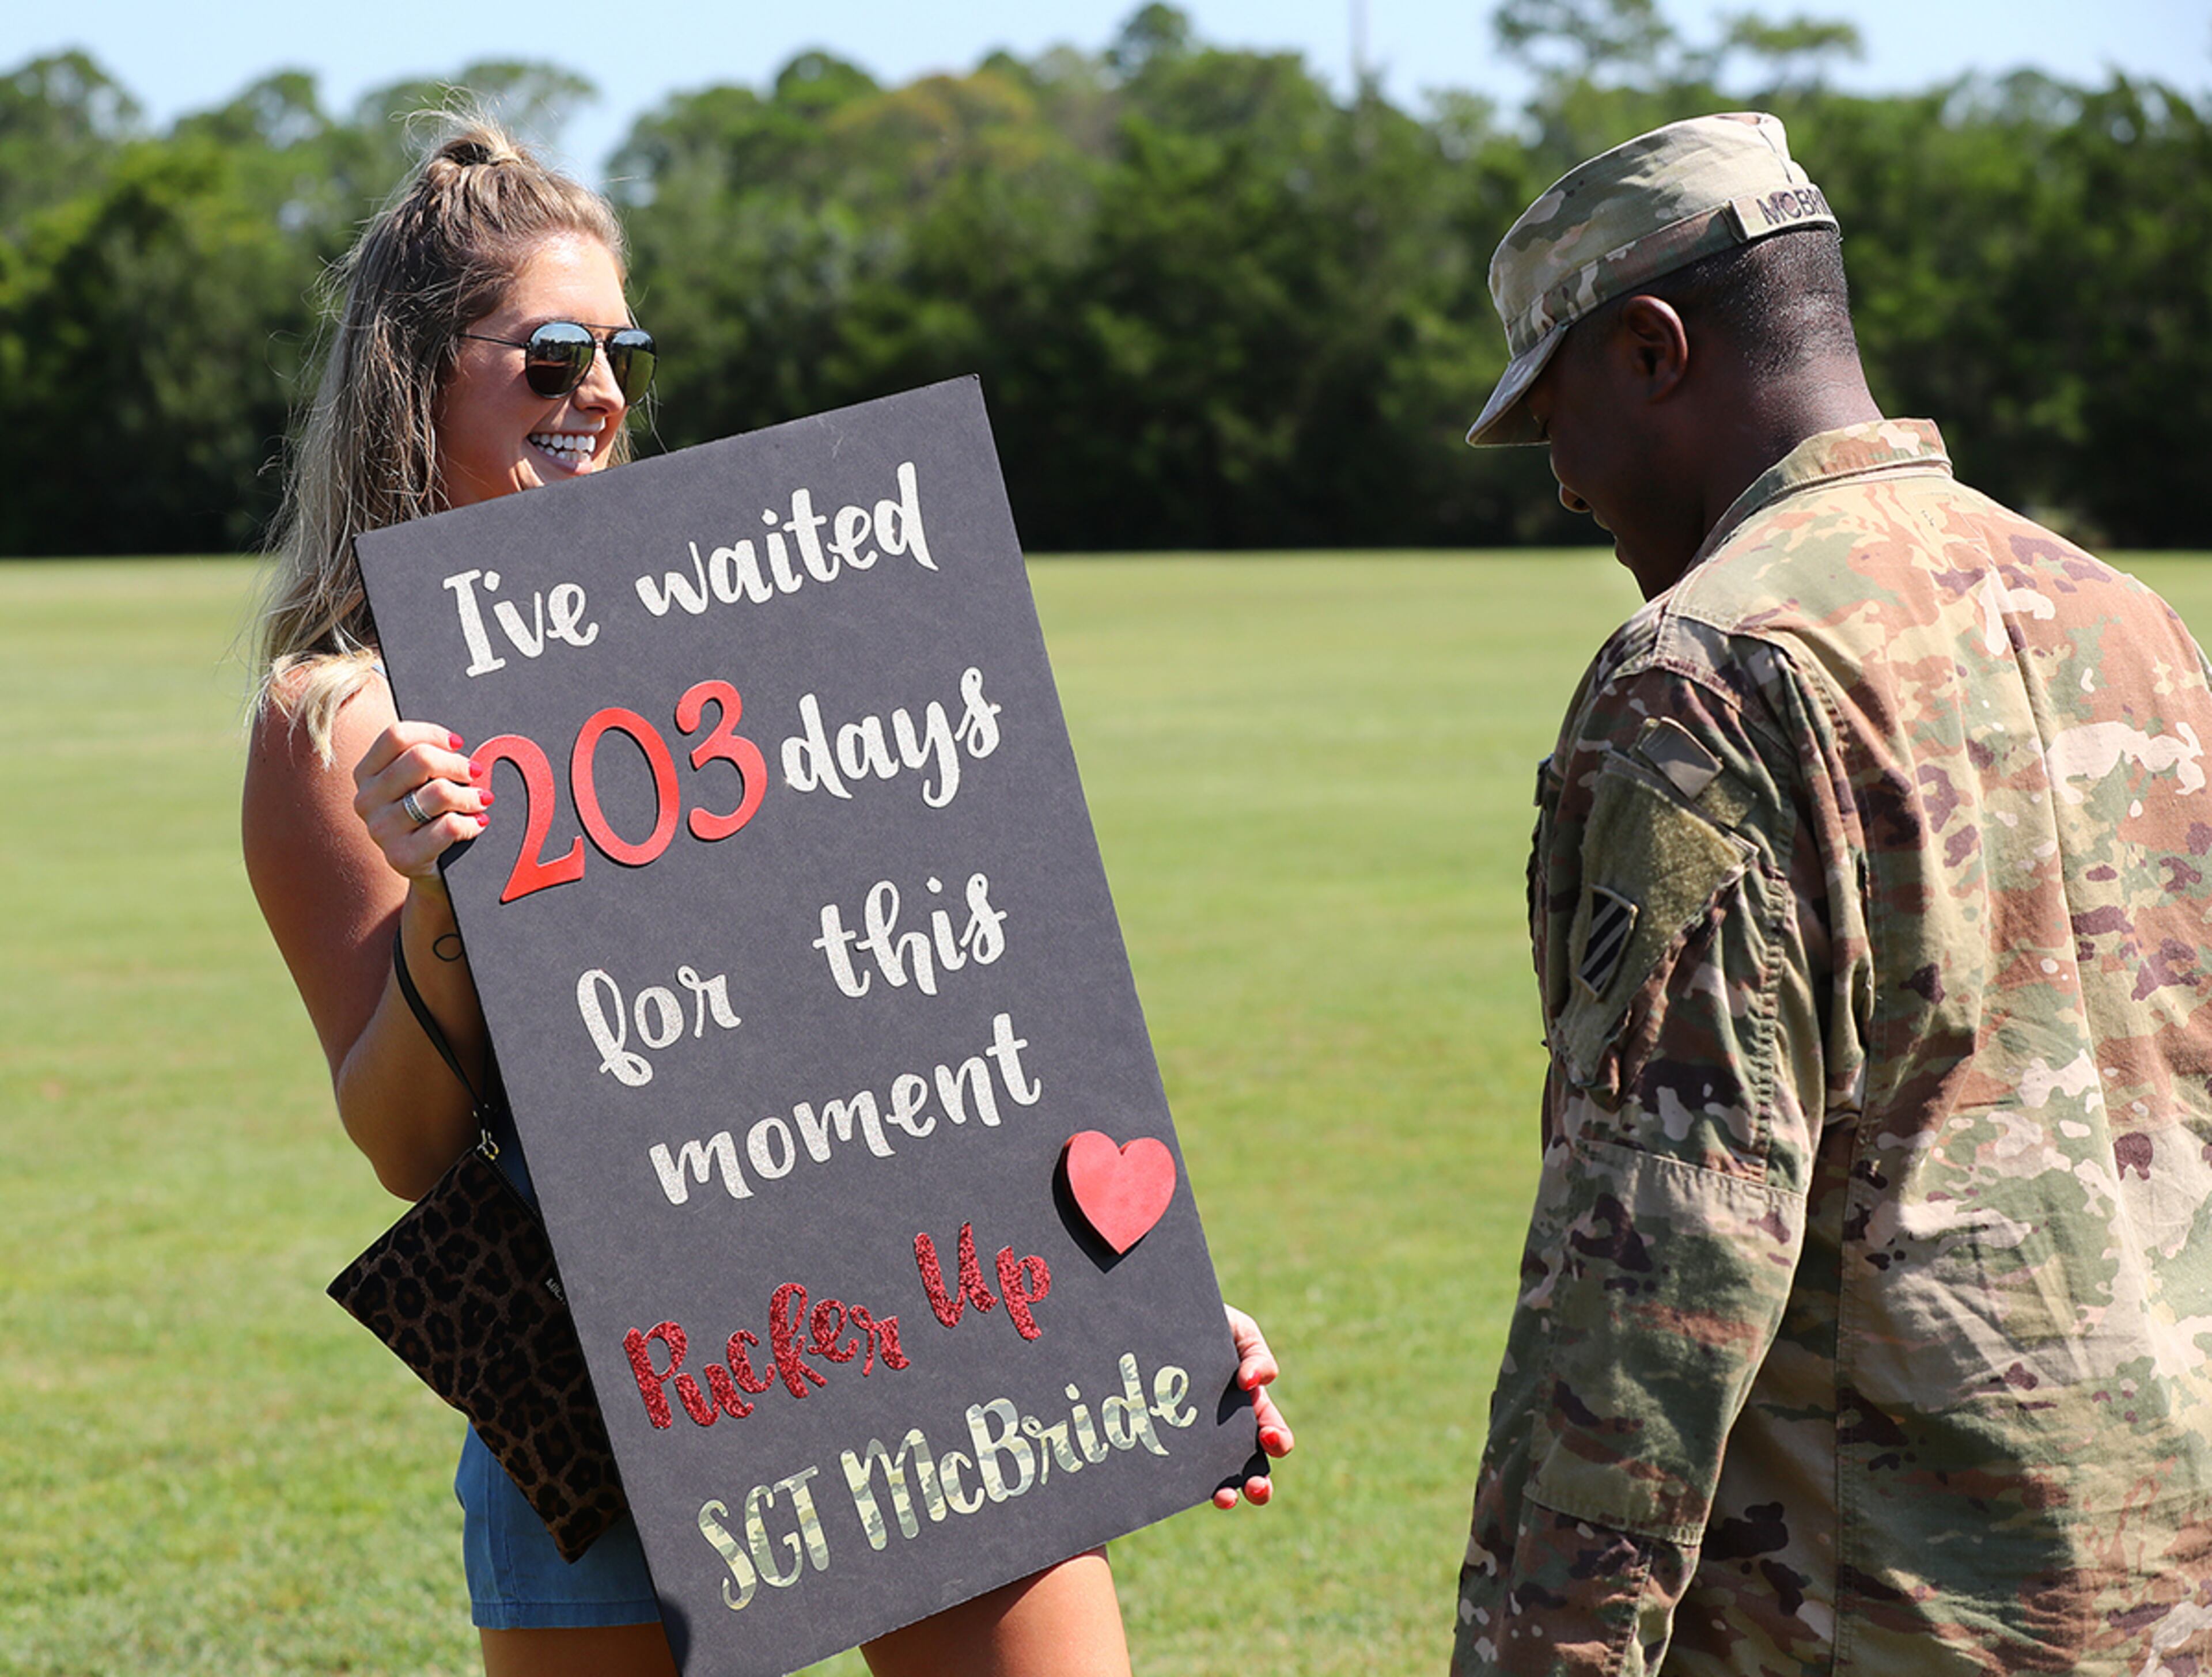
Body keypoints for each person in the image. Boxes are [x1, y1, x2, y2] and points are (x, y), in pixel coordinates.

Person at [242, 117, 1291, 1677]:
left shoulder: (751, 620)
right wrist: (440, 893)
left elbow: (940, 1021)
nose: (596, 393)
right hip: (589, 1395)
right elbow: (405, 1149)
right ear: (413, 371)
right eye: (547, 353)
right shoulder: (335, 718)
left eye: (622, 354)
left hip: (919, 1332)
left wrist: (1128, 1308)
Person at [1449, 112, 2212, 1676]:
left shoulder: (1712, 675)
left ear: (1653, 349)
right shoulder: (2134, 626)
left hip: (1867, 1617)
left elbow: (1661, 1260)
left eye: (1559, 419)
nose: (1568, 489)